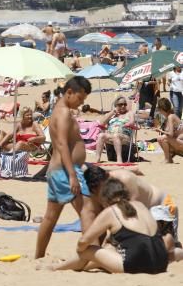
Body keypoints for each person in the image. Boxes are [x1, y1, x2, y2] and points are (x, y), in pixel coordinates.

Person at [51, 179, 168, 275]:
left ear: (105, 199)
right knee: (109, 248)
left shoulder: (111, 211)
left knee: (88, 250)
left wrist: (81, 253)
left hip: (135, 265)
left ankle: (56, 268)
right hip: (161, 262)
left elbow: (83, 241)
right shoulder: (140, 205)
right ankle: (81, 265)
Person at [34, 76, 91, 259]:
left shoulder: (59, 110)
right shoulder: (64, 112)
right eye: (80, 98)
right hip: (65, 171)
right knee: (87, 211)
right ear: (69, 92)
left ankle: (39, 256)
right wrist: (73, 174)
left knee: (51, 217)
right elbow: (61, 144)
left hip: (57, 170)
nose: (81, 103)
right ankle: (92, 254)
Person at [82, 163, 179, 242]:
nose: (102, 191)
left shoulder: (125, 179)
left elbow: (133, 208)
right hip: (143, 213)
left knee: (166, 248)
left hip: (161, 206)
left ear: (107, 176)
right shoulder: (94, 188)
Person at [94, 96, 136, 164]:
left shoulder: (129, 113)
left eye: (125, 104)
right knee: (101, 135)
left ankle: (119, 159)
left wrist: (128, 124)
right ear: (116, 105)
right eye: (120, 104)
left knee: (116, 136)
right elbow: (101, 123)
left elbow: (132, 121)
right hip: (111, 136)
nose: (123, 106)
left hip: (125, 136)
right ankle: (97, 158)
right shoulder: (112, 115)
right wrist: (112, 113)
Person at [156, 97, 183, 164]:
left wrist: (160, 130)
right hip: (179, 143)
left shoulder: (171, 117)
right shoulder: (169, 117)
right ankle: (169, 158)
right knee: (160, 138)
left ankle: (167, 159)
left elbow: (170, 134)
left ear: (161, 109)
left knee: (163, 138)